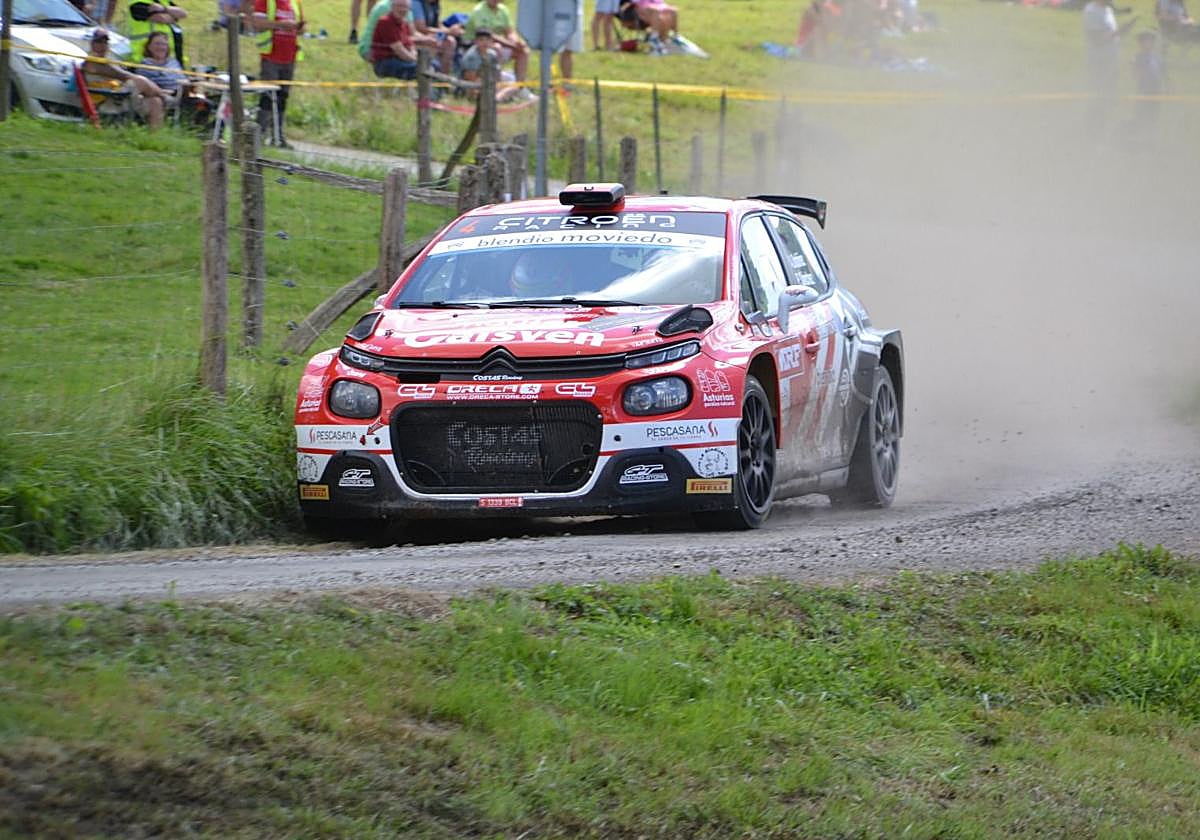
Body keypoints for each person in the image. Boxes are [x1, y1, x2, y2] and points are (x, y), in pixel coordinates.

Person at [83, 28, 173, 129]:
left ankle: (154, 138)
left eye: (105, 42)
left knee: (155, 102)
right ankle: (165, 97)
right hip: (107, 100)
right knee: (139, 80)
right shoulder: (93, 62)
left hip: (118, 95)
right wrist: (160, 91)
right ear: (91, 44)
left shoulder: (107, 59)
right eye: (98, 42)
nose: (102, 45)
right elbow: (124, 75)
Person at [252, 0, 305, 148]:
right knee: (268, 96)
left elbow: (299, 26)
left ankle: (278, 136)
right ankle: (259, 135)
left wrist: (299, 28)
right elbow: (257, 24)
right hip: (271, 55)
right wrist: (281, 25)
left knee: (282, 97)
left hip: (290, 56)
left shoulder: (294, 2)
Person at [464, 0, 528, 81]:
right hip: (476, 45)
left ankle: (520, 84)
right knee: (497, 48)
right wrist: (512, 45)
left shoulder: (503, 10)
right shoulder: (479, 11)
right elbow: (488, 35)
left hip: (496, 44)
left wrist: (517, 42)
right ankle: (497, 82)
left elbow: (509, 31)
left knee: (523, 52)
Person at [371, 0, 418, 78]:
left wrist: (415, 56)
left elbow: (410, 45)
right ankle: (431, 89)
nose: (402, 9)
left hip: (401, 60)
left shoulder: (404, 23)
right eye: (399, 6)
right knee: (420, 69)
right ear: (392, 7)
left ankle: (437, 88)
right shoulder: (385, 22)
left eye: (405, 7)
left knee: (433, 64)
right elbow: (399, 50)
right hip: (385, 62)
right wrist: (416, 60)